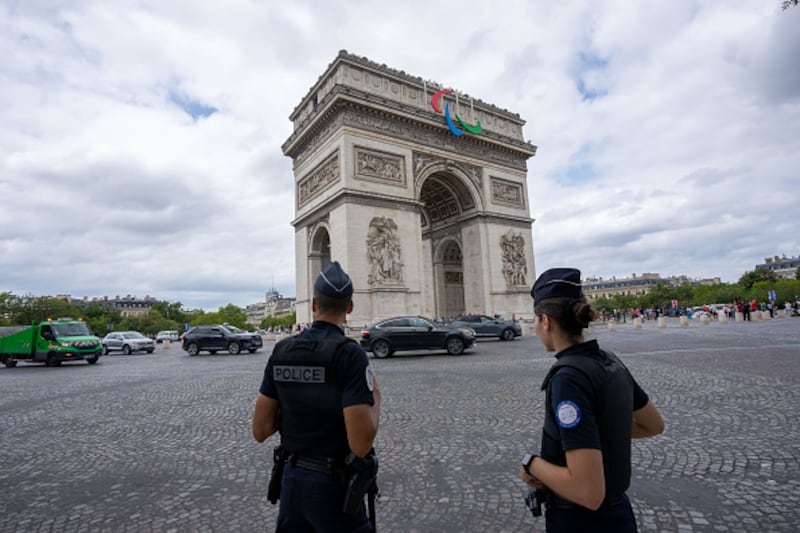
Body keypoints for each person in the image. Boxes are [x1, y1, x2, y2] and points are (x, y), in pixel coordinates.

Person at [519, 268, 665, 532]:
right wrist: (594, 434)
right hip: (620, 514)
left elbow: (588, 492)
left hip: (581, 522)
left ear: (546, 321)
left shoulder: (568, 379)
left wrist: (532, 464)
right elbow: (653, 424)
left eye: (535, 320)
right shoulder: (610, 361)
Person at [252, 261, 381, 532]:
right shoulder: (349, 354)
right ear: (350, 307)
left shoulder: (282, 351)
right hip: (333, 486)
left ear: (313, 305)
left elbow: (261, 430)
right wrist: (376, 398)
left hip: (291, 481)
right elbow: (360, 444)